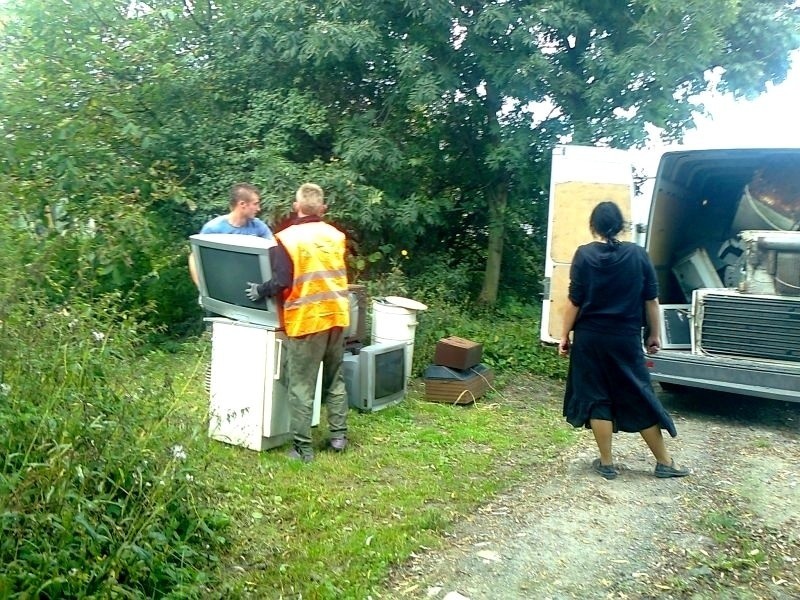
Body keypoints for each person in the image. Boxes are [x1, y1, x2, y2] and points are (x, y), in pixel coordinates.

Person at [559, 201, 690, 481]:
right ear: (621, 225)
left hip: (590, 338)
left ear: (593, 225)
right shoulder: (638, 255)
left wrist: (563, 335)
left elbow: (574, 302)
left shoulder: (583, 255)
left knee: (596, 396)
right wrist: (654, 334)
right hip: (625, 338)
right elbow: (651, 300)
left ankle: (607, 463)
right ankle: (664, 462)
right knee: (638, 394)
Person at [245, 183, 350, 463]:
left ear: (296, 207)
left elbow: (281, 281)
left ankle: (303, 449)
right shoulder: (336, 235)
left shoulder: (288, 238)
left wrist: (260, 290)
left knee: (301, 386)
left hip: (307, 320)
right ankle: (338, 437)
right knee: (335, 379)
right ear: (322, 208)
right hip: (337, 315)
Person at [189, 182, 274, 286]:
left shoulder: (259, 227)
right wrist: (200, 285)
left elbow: (275, 251)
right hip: (223, 285)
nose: (259, 209)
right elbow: (195, 257)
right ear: (242, 204)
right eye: (255, 204)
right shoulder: (214, 228)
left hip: (250, 286)